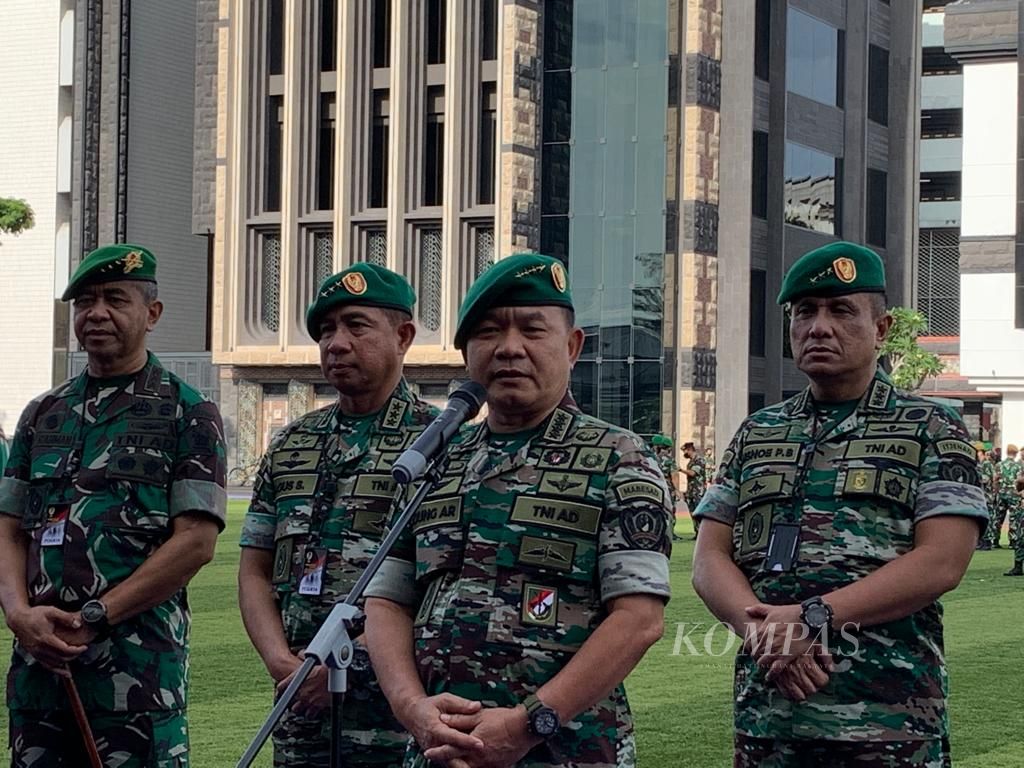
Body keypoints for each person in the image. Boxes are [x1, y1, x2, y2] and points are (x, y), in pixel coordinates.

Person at [364, 253, 672, 768]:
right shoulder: (435, 461)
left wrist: (528, 724)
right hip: (438, 750)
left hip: (565, 752)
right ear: (466, 353)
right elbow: (385, 600)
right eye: (488, 332)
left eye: (532, 330)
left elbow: (638, 620)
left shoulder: (620, 459)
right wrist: (412, 708)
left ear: (572, 347)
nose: (510, 348)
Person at [692, 241, 988, 767]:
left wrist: (808, 619)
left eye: (841, 310)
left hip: (889, 722)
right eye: (805, 311)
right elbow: (709, 558)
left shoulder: (931, 427)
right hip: (770, 720)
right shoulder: (758, 432)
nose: (819, 327)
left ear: (882, 329)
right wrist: (766, 633)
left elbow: (942, 561)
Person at [0, 244, 227, 766]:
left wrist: (96, 617)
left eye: (115, 299)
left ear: (152, 314)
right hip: (40, 674)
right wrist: (17, 614)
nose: (96, 313)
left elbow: (196, 541)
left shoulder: (187, 411)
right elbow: (8, 528)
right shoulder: (43, 413)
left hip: (137, 677)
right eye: (85, 301)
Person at [238, 263, 437, 766]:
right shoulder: (291, 443)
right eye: (326, 330)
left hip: (396, 718)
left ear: (404, 336)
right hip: (299, 707)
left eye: (356, 325)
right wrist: (282, 662)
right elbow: (256, 568)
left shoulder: (442, 445)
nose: (336, 343)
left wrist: (353, 661)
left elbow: (440, 584)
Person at [993, 444, 1022, 566]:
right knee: (1013, 518)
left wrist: (996, 491)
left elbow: (995, 479)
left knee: (999, 517)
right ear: (1015, 453)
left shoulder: (999, 465)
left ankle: (995, 540)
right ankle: (1013, 541)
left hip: (1002, 493)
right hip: (1013, 494)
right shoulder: (1018, 466)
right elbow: (1020, 480)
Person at [652, 434, 684, 541]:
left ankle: (656, 531)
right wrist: (677, 490)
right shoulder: (669, 460)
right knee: (670, 510)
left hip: (655, 486)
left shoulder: (652, 458)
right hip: (667, 487)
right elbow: (674, 475)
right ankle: (670, 533)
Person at [681, 441, 708, 540]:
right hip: (691, 491)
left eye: (685, 451)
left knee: (699, 512)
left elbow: (693, 473)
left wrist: (681, 470)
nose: (684, 454)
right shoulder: (691, 462)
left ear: (689, 450)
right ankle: (697, 532)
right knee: (692, 512)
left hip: (698, 491)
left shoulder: (699, 460)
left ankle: (702, 534)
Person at [977, 445, 997, 550]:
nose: (978, 457)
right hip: (984, 495)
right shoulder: (983, 464)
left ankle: (987, 541)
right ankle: (984, 541)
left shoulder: (986, 464)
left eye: (980, 454)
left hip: (986, 495)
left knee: (988, 517)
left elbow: (988, 478)